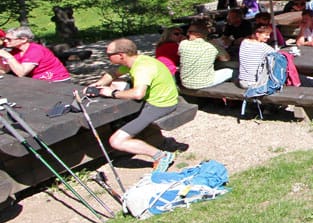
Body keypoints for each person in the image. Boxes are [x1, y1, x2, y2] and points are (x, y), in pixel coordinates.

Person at [90, 38, 179, 172]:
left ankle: (161, 156)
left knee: (116, 141)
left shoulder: (142, 68)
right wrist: (98, 84)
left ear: (121, 55)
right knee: (116, 83)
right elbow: (113, 73)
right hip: (159, 98)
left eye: (109, 55)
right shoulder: (136, 60)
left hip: (160, 105)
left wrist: (112, 93)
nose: (107, 57)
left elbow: (138, 94)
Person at [0, 26, 70, 82]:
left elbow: (21, 73)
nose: (5, 41)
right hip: (36, 81)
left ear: (23, 39)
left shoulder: (35, 50)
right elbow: (5, 70)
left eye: (9, 39)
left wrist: (8, 57)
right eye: (5, 39)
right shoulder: (15, 51)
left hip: (56, 80)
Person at [177, 24, 233, 89]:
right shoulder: (212, 46)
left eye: (190, 32)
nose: (187, 34)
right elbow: (225, 59)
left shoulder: (183, 44)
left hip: (185, 83)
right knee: (231, 71)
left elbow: (180, 54)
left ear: (198, 34)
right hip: (205, 82)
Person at [237, 25, 275, 89]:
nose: (268, 37)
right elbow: (277, 54)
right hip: (255, 83)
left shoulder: (244, 42)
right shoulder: (263, 46)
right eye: (266, 35)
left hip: (242, 82)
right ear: (257, 34)